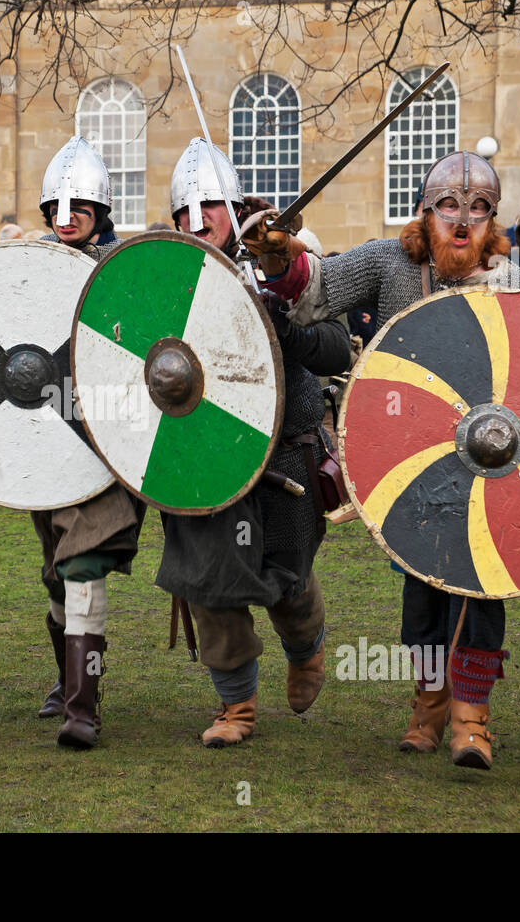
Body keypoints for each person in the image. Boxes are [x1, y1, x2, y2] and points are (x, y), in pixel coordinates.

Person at [259, 150, 520, 769]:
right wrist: (279, 256)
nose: (462, 222)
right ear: (426, 212)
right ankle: (428, 704)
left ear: (493, 221)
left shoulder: (512, 282)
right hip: (409, 462)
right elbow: (320, 288)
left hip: (489, 463)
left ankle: (472, 716)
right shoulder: (392, 264)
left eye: (477, 210)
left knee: (479, 592)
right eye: (449, 207)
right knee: (422, 596)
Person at [158, 138, 351, 748]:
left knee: (287, 576)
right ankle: (235, 704)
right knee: (209, 577)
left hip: (283, 454)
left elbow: (337, 349)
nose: (199, 219)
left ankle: (306, 649)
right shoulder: (159, 277)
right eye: (187, 211)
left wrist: (280, 321)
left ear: (235, 208)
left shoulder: (286, 264)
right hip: (199, 455)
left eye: (211, 205)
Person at [30, 135, 146, 748]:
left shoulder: (123, 267)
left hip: (107, 442)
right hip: (44, 442)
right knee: (56, 573)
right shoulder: (29, 267)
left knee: (83, 566)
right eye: (57, 206)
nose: (66, 215)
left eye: (80, 206)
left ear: (101, 211)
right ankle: (64, 680)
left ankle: (84, 707)